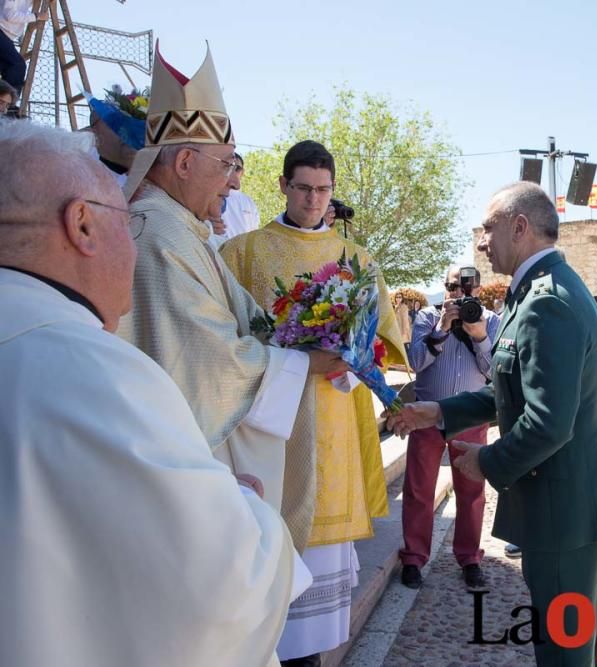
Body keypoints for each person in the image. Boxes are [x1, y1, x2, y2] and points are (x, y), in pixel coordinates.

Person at [0, 118, 301, 667]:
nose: (134, 242)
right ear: (82, 225)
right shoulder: (94, 370)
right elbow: (222, 581)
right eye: (123, 217)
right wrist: (247, 505)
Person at [387, 181, 597, 666]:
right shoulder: (541, 291)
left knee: (566, 650)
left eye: (489, 228)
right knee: (586, 643)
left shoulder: (547, 301)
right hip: (574, 500)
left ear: (519, 227)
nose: (481, 242)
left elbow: (548, 421)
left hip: (563, 508)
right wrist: (439, 412)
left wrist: (489, 461)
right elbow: (514, 388)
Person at [118, 46, 345, 512]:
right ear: (183, 164)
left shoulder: (180, 226)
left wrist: (297, 339)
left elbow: (243, 316)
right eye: (225, 164)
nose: (232, 180)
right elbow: (205, 359)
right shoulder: (158, 234)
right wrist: (304, 364)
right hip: (178, 469)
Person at [220, 140, 406, 665]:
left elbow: (383, 344)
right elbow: (224, 337)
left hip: (335, 419)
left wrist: (355, 355)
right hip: (268, 424)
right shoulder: (243, 252)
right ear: (282, 185)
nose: (313, 200)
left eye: (323, 190)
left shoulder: (359, 262)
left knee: (317, 621)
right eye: (302, 188)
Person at [399, 266, 500, 591]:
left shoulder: (490, 321)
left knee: (472, 493)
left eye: (464, 286)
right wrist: (442, 328)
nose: (457, 293)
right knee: (418, 490)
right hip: (428, 417)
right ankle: (414, 558)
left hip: (470, 416)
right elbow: (415, 362)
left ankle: (470, 558)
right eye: (451, 286)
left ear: (477, 288)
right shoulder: (428, 317)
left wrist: (480, 336)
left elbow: (493, 372)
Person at [0, 0, 46, 111]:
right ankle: (8, 105)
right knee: (17, 65)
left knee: (8, 68)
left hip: (6, 36)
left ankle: (4, 104)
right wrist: (35, 16)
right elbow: (10, 15)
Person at [210, 153, 261, 248]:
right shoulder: (211, 194)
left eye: (237, 168)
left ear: (243, 172)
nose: (232, 172)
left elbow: (254, 232)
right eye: (228, 167)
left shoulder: (249, 202)